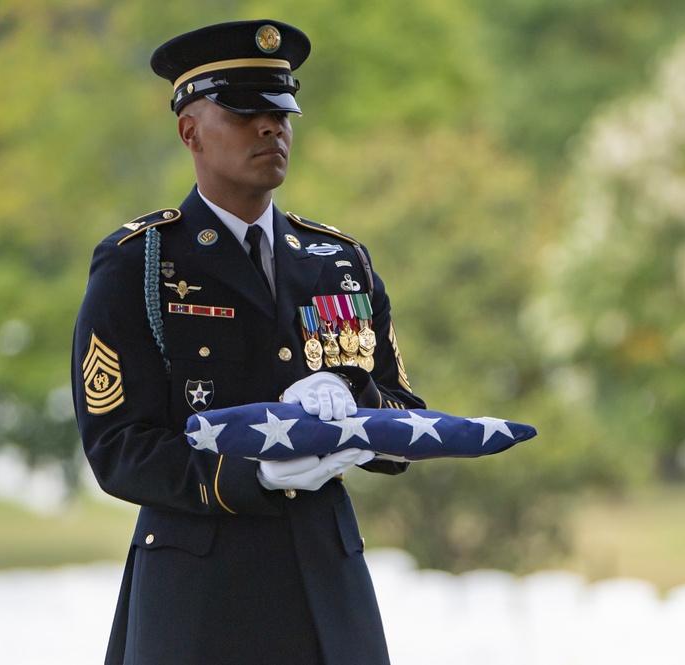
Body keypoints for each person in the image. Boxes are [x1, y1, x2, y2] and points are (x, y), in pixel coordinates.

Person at [72, 19, 425, 665]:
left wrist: (353, 395)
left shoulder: (339, 260)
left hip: (325, 581)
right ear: (189, 131)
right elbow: (118, 446)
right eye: (245, 113)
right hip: (201, 594)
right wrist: (249, 471)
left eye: (282, 111)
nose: (272, 127)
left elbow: (406, 424)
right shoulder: (140, 264)